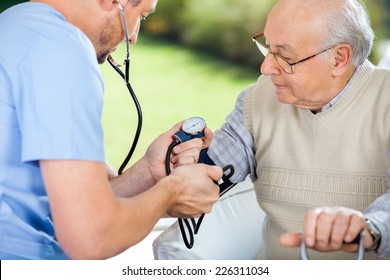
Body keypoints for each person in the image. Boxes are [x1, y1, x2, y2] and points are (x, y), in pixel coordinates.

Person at [0, 0, 223, 260]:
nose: (133, 36)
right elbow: (91, 237)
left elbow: (73, 210)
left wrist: (150, 170)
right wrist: (172, 193)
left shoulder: (12, 23)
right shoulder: (63, 49)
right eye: (141, 15)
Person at [199, 0, 390, 259]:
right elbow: (207, 175)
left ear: (339, 59)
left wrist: (369, 228)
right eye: (267, 47)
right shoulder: (258, 100)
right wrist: (186, 169)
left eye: (286, 57)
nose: (266, 68)